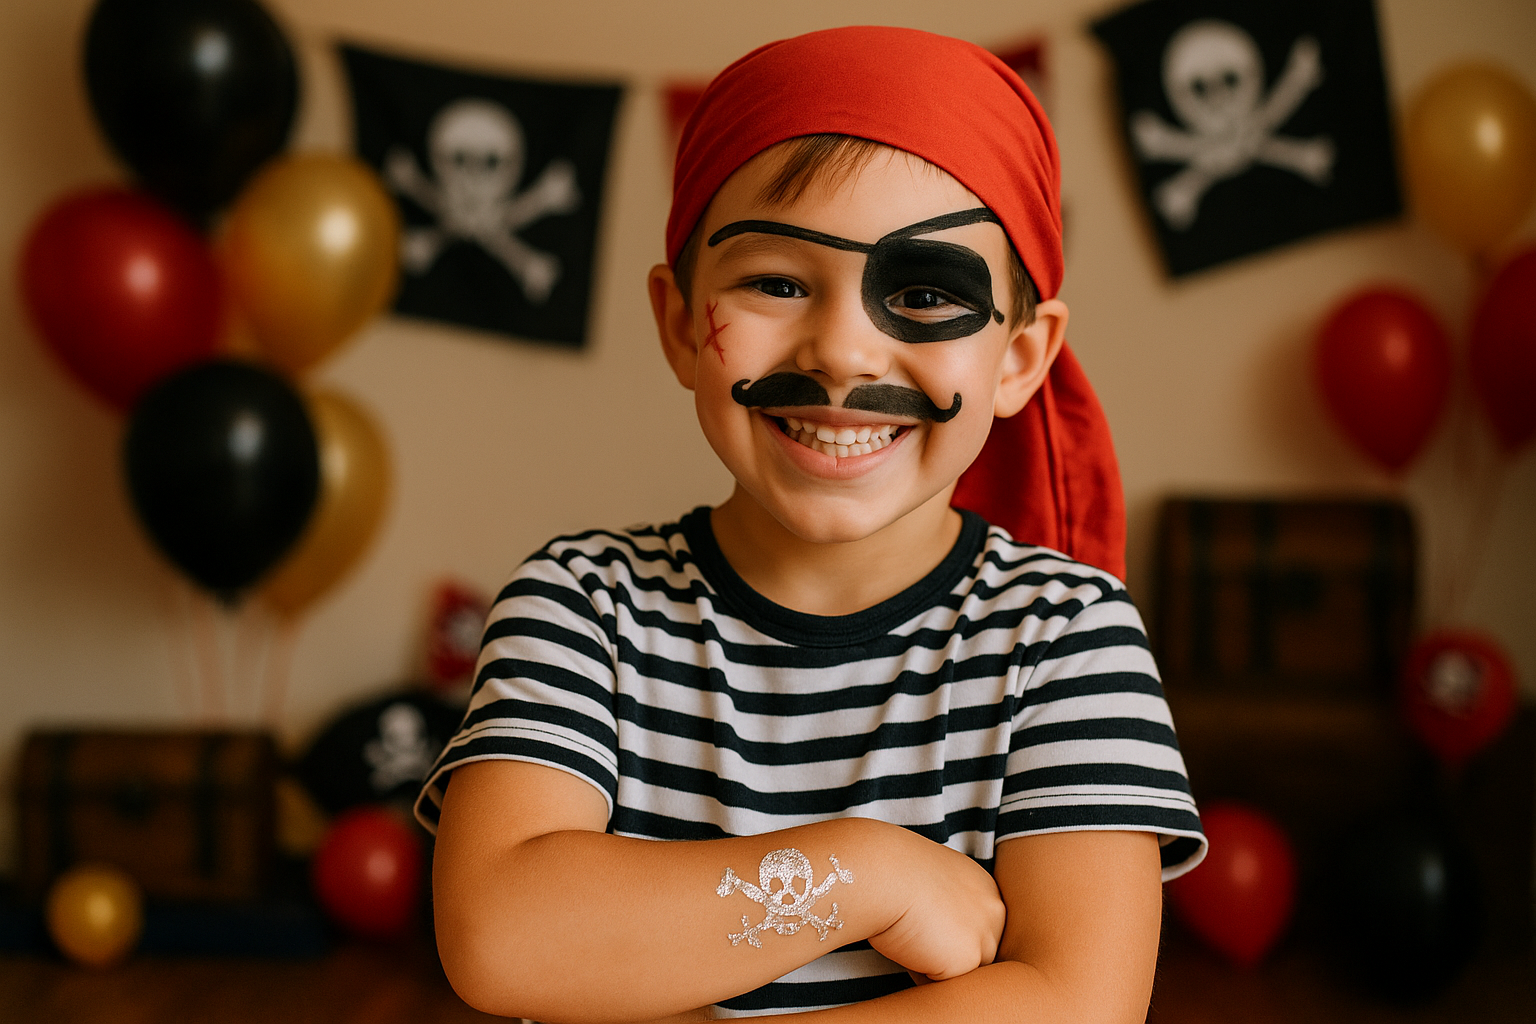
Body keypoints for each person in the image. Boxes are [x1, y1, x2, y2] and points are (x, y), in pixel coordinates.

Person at [417, 25, 1205, 1024]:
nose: (840, 351)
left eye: (923, 293)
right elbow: (501, 933)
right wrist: (866, 873)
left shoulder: (1067, 642)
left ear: (1018, 356)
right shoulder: (583, 607)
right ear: (676, 322)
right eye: (777, 283)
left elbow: (1074, 1005)